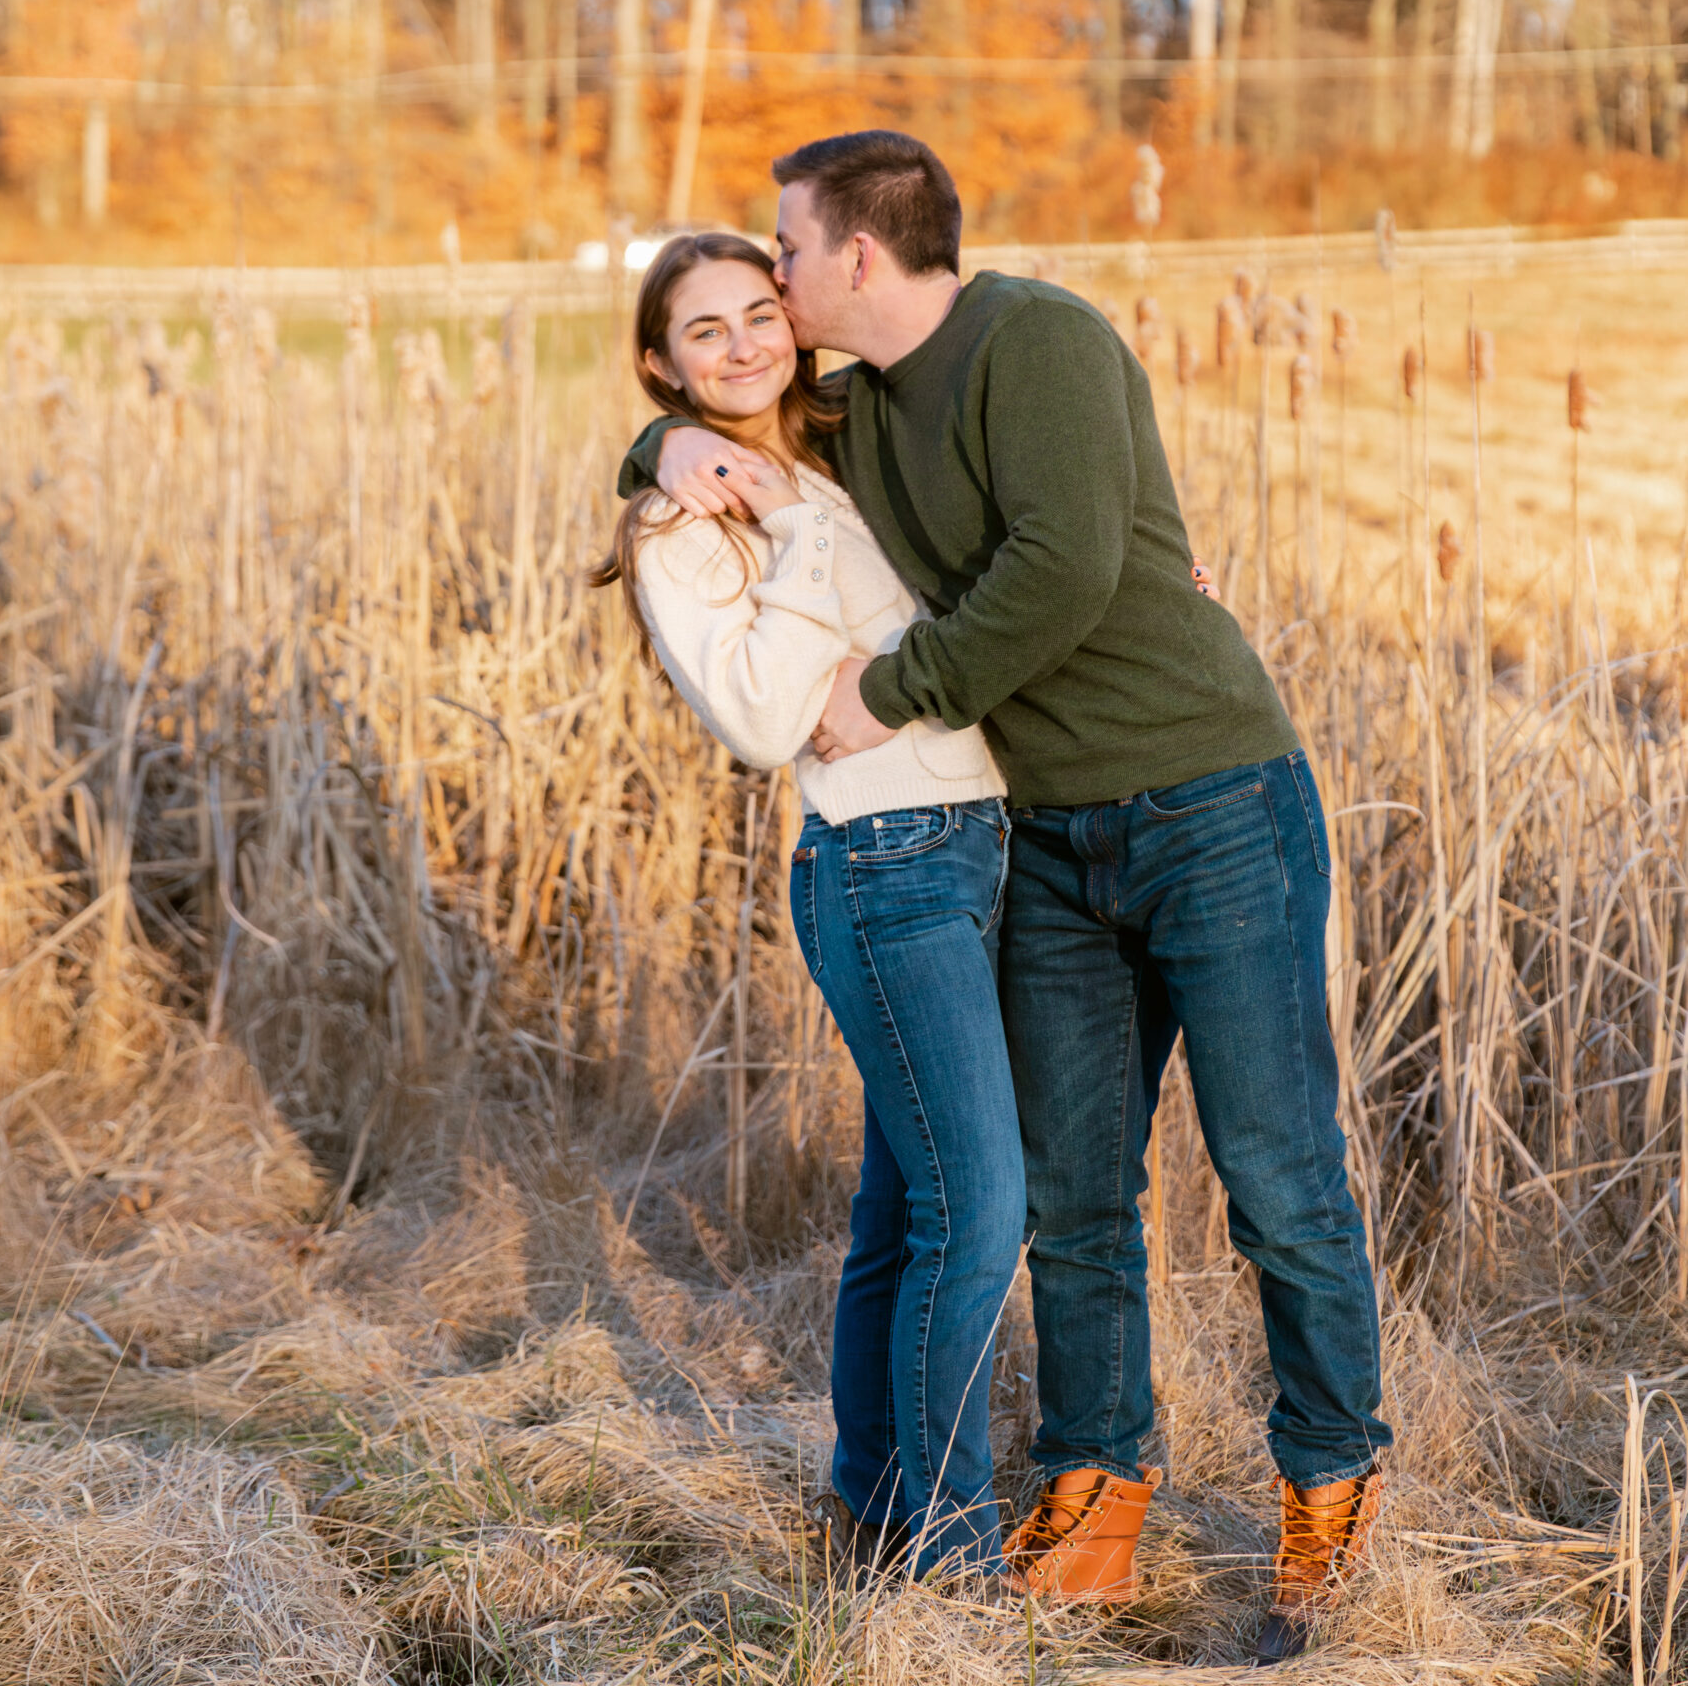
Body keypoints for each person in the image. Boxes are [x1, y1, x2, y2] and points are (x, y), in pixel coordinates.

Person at [619, 134, 1391, 1663]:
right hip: (1040, 837)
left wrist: (889, 689)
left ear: (855, 255)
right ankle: (1097, 1483)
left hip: (1210, 802)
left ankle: (1329, 1481)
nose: (769, 276)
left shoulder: (1037, 339)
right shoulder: (857, 408)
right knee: (1074, 1197)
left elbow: (1066, 566)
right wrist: (649, 453)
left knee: (1275, 1172)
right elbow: (717, 429)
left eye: (785, 247)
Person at [594, 230, 1023, 1583]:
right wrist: (770, 527)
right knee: (981, 1203)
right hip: (881, 863)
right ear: (660, 364)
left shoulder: (863, 438)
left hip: (991, 842)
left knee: (908, 1215)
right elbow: (767, 715)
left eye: (758, 313)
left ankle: (873, 1508)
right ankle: (952, 1553)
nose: (740, 344)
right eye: (702, 330)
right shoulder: (685, 526)